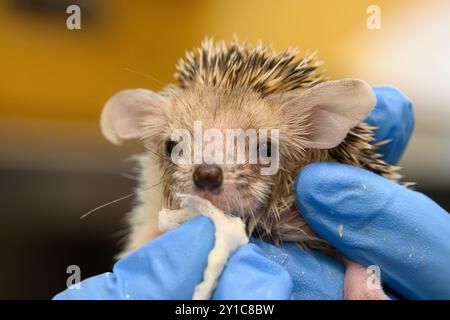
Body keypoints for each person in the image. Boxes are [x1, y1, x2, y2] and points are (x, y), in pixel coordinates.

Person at [54, 86, 450, 300]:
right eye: (178, 147)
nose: (207, 172)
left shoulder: (329, 191)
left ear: (313, 135)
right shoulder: (168, 210)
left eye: (262, 148)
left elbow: (362, 259)